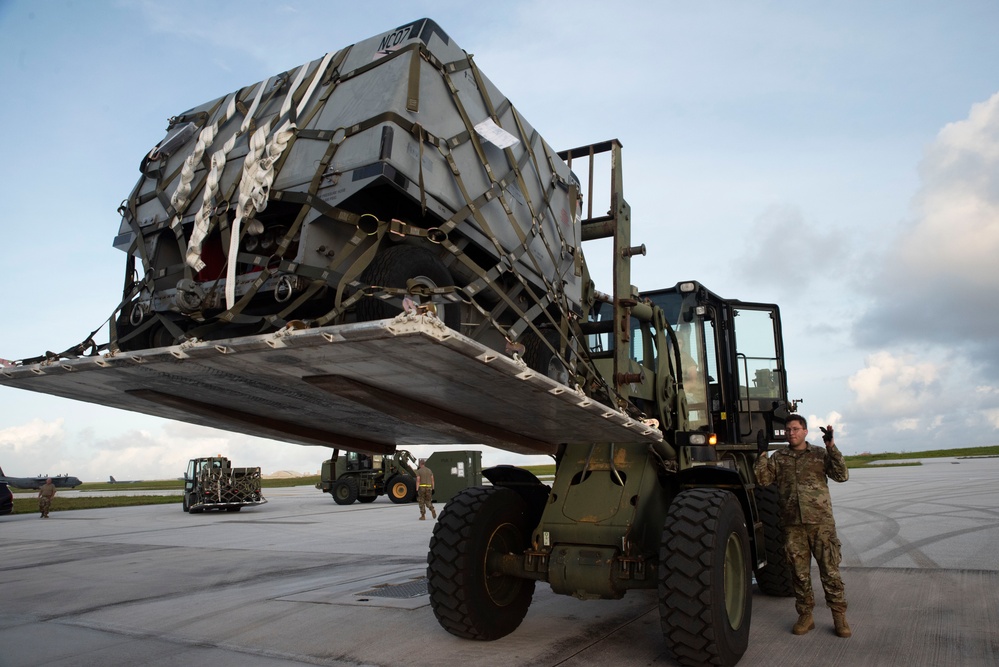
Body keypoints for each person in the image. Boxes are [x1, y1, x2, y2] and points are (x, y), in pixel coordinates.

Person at [754, 415, 851, 638]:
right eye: (788, 430)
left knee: (830, 572)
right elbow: (762, 480)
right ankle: (806, 616)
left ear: (805, 431)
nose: (791, 433)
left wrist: (832, 447)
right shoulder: (779, 457)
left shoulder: (819, 454)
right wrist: (761, 454)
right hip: (792, 525)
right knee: (799, 574)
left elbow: (842, 475)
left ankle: (839, 617)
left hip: (821, 524)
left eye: (796, 429)